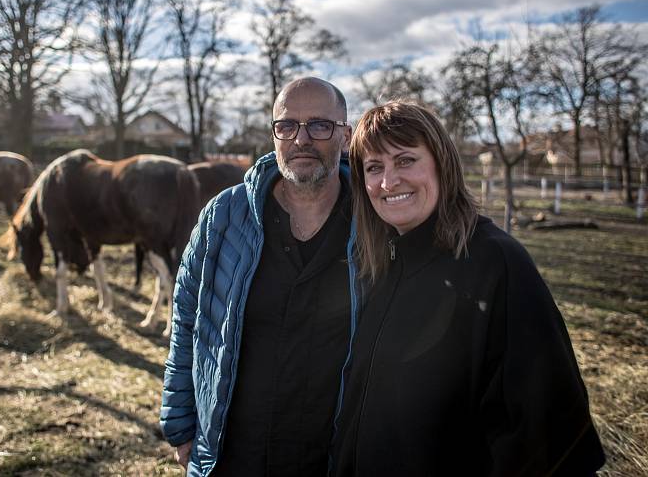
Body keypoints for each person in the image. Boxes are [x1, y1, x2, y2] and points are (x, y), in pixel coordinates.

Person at [331, 100, 605, 475]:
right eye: (374, 167)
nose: (387, 181)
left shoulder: (497, 263)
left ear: (442, 163)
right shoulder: (381, 266)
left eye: (406, 160)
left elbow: (547, 432)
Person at [161, 77, 354, 476]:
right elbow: (186, 316)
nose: (302, 139)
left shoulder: (370, 223)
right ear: (274, 135)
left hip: (332, 455)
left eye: (320, 125)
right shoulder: (225, 217)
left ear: (345, 136)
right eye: (287, 125)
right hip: (234, 452)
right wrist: (180, 423)